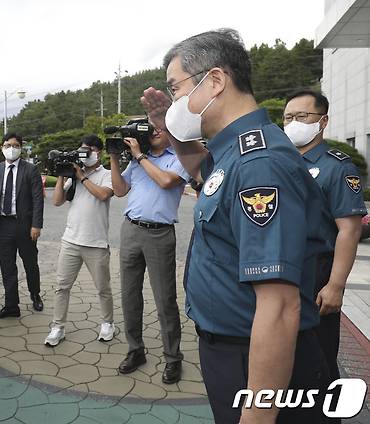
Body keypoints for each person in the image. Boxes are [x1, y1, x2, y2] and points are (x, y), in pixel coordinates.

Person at [141, 29, 329, 423]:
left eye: (176, 89)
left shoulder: (259, 164)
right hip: (233, 350)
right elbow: (201, 173)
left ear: (214, 81)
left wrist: (258, 416)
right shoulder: (235, 149)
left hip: (257, 359)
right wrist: (168, 124)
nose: (175, 101)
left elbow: (279, 305)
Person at [284, 90, 366, 412]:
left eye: (301, 117)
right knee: (286, 357)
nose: (293, 124)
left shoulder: (337, 168)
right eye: (288, 118)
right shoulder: (281, 163)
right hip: (284, 272)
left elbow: (349, 229)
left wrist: (335, 286)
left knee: (318, 361)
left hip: (316, 274)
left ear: (322, 121)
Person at [110, 126, 189, 384]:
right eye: (151, 128)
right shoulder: (136, 160)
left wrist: (140, 156)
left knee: (165, 299)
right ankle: (135, 351)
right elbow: (120, 190)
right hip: (131, 229)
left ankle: (173, 358)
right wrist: (114, 156)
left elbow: (167, 181)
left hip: (159, 234)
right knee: (129, 295)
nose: (154, 132)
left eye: (160, 128)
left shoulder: (179, 157)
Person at [44, 135, 115, 346]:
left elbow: (103, 195)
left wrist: (82, 177)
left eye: (90, 150)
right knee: (61, 286)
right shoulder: (72, 176)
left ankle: (107, 323)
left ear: (99, 152)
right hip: (71, 241)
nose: (85, 153)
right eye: (83, 149)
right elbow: (57, 201)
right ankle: (57, 327)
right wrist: (61, 175)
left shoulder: (107, 175)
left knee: (103, 288)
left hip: (96, 242)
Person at [0, 133, 44, 318]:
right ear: (2, 147)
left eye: (15, 145)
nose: (11, 148)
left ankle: (35, 295)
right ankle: (11, 306)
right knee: (7, 267)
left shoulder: (31, 169)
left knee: (30, 264)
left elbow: (37, 200)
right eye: (7, 145)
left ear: (21, 147)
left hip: (24, 226)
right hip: (3, 226)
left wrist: (36, 225)